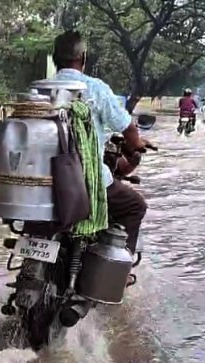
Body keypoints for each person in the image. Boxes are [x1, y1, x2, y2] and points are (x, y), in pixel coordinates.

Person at [52, 30, 147, 253]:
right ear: (83, 57)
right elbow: (127, 127)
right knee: (135, 206)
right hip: (83, 177)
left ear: (55, 57)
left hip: (42, 177)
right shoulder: (95, 88)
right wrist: (137, 144)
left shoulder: (39, 88)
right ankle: (119, 273)